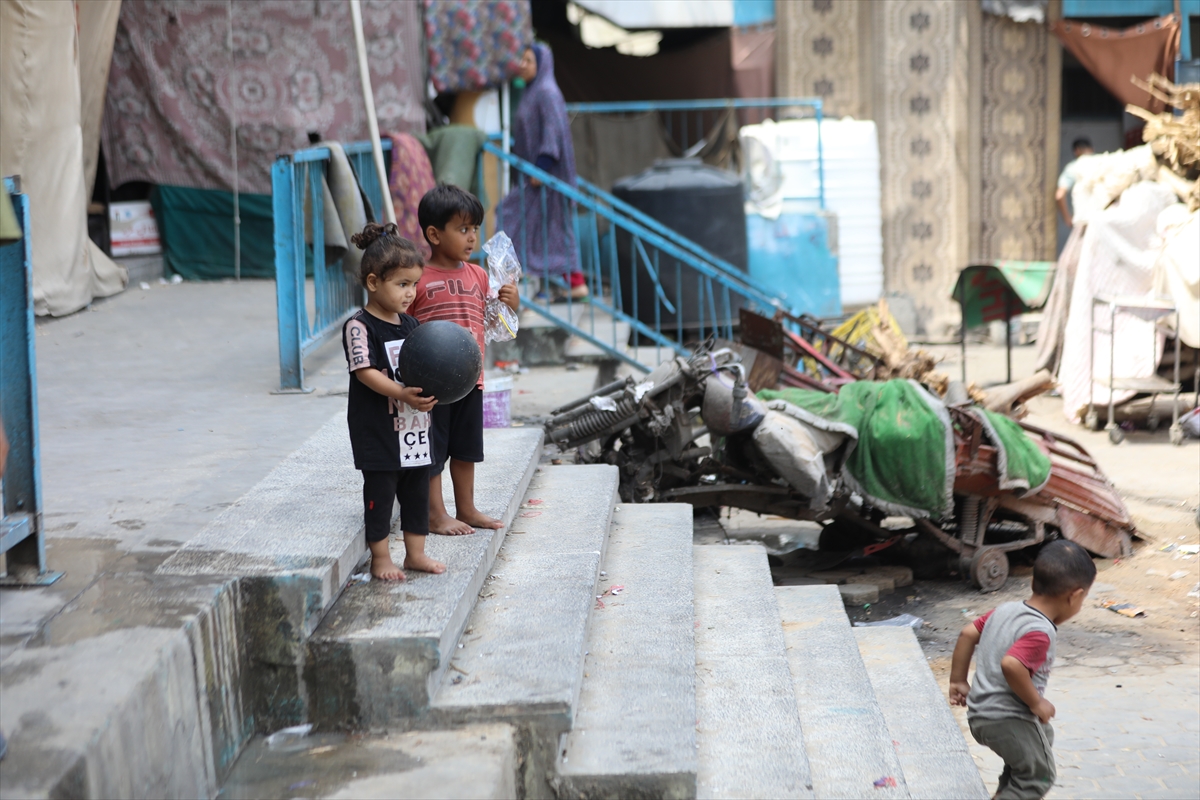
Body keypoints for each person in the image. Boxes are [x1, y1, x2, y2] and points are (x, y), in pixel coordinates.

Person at [410, 184, 520, 536]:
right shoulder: (418, 280)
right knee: (433, 450)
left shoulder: (479, 275)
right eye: (462, 229)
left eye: (474, 229)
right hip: (431, 385)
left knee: (466, 449)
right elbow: (404, 329)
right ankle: (435, 514)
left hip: (471, 380)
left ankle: (467, 508)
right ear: (434, 234)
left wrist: (510, 303)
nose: (472, 238)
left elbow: (494, 323)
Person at [949, 539, 1097, 800]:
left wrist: (958, 681)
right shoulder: (1040, 631)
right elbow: (1012, 665)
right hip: (1007, 718)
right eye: (1083, 598)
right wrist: (1036, 701)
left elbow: (967, 633)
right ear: (1075, 595)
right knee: (1037, 777)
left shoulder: (1005, 610)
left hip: (981, 715)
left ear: (1033, 582)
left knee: (1037, 746)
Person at [342, 223, 445, 581]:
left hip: (414, 429)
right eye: (402, 284)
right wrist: (400, 393)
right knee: (381, 494)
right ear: (373, 282)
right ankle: (381, 558)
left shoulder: (412, 325)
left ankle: (415, 554)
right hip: (379, 430)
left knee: (416, 493)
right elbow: (364, 371)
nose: (410, 293)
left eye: (414, 284)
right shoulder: (360, 326)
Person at [498, 43, 587, 300]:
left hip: (547, 176)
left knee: (518, 217)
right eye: (522, 59)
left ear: (542, 64)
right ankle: (566, 282)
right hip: (535, 176)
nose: (522, 65)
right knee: (544, 229)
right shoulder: (532, 92)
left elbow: (553, 132)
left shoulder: (547, 92)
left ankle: (517, 273)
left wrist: (542, 167)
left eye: (528, 60)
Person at [1055, 138, 1094, 228]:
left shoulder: (1073, 168)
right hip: (1108, 220)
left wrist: (1067, 219)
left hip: (1085, 220)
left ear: (1076, 150)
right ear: (1092, 149)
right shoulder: (1104, 162)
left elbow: (1059, 195)